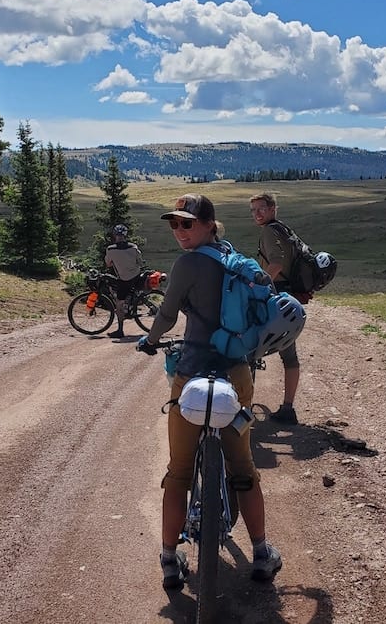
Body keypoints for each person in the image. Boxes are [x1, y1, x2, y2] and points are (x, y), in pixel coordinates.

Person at [137, 193, 282, 589]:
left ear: (207, 224)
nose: (179, 231)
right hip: (235, 375)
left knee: (179, 471)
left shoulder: (187, 263)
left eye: (187, 223)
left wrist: (150, 340)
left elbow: (167, 314)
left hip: (192, 375)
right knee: (243, 469)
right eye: (174, 224)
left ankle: (169, 560)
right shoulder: (234, 260)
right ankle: (262, 552)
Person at [250, 191, 305, 425]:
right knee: (289, 355)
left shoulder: (269, 231)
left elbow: (276, 263)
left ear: (273, 208)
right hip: (289, 296)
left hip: (275, 297)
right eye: (253, 210)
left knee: (250, 349)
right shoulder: (283, 229)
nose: (257, 214)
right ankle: (288, 407)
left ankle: (243, 408)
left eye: (261, 208)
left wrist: (256, 286)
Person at [104, 224, 144, 338]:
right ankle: (133, 303)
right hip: (136, 275)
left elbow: (108, 263)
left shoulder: (111, 249)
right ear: (125, 235)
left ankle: (120, 330)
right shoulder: (133, 247)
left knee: (119, 303)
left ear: (114, 235)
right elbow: (140, 262)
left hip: (124, 278)